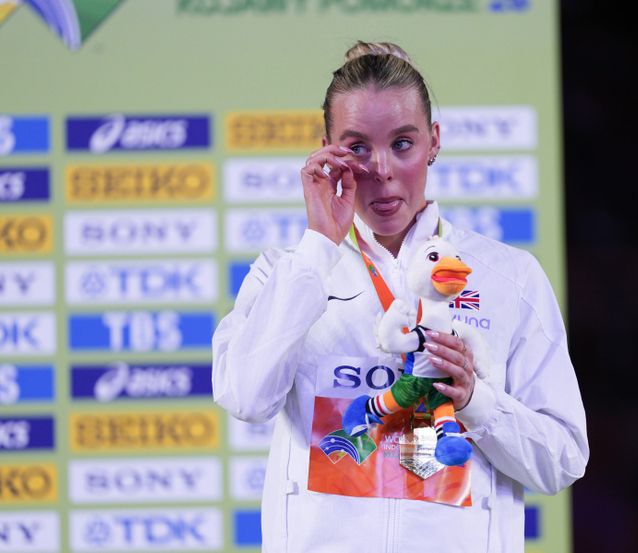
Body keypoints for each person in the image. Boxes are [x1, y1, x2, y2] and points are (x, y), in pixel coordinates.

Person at [212, 41, 589, 553]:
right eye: (358, 148)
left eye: (403, 143)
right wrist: (318, 246)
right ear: (327, 151)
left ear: (434, 141)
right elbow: (245, 399)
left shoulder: (508, 277)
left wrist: (475, 401)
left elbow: (563, 459)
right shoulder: (287, 273)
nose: (382, 169)